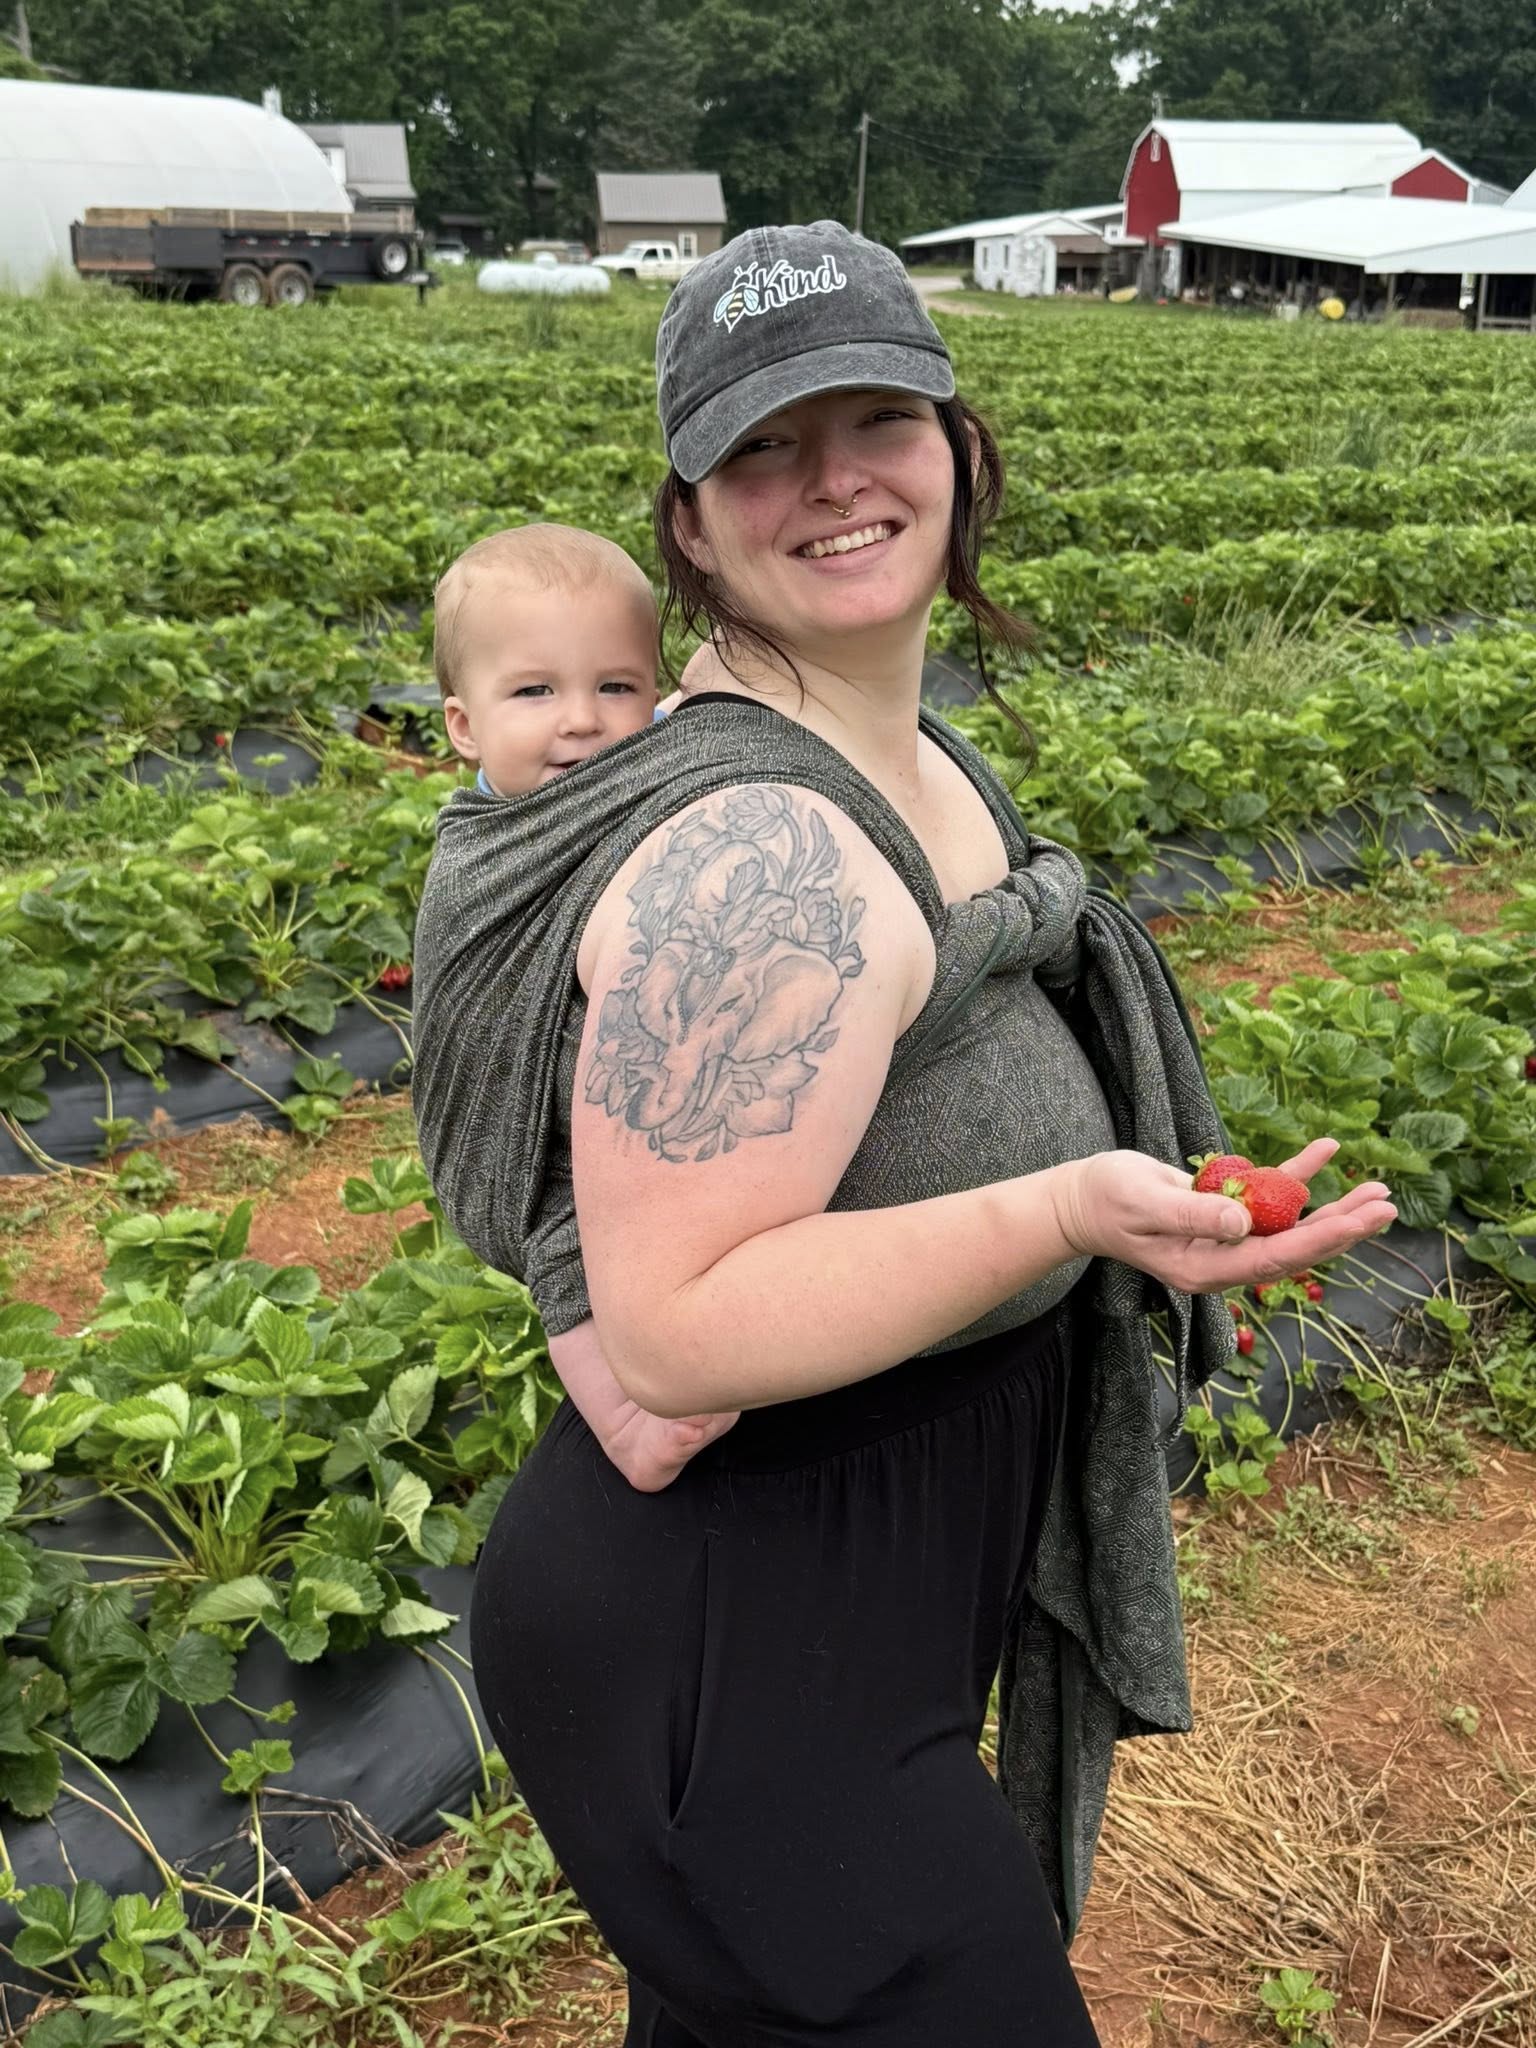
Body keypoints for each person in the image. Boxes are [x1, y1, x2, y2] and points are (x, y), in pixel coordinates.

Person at [411, 222, 1397, 2045]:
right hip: (732, 1636)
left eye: (879, 418)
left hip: (867, 1596)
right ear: (689, 524)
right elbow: (674, 1326)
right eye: (765, 446)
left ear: (958, 448)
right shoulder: (756, 852)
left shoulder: (919, 757)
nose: (837, 478)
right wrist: (1064, 1207)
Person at [431, 522, 740, 1489]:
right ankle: (620, 1418)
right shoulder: (487, 845)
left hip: (603, 1052)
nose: (582, 721)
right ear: (463, 726)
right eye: (534, 692)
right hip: (511, 1077)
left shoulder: (638, 769)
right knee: (567, 1229)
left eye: (616, 687)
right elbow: (472, 978)